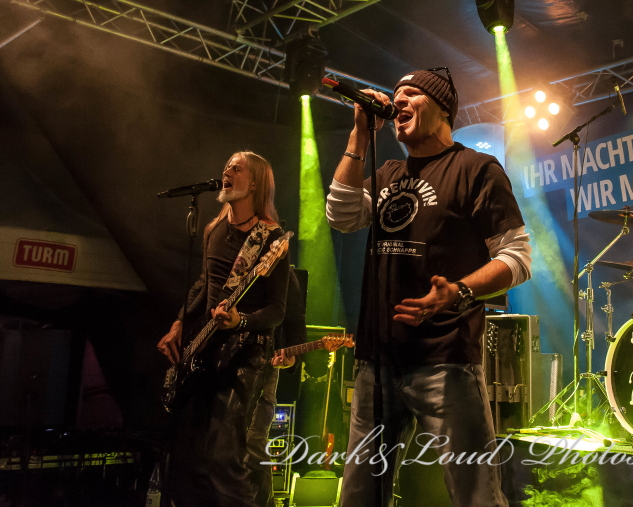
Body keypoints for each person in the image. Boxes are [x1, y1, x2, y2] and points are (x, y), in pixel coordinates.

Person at [325, 69, 532, 507]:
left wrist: (457, 292)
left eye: (411, 94)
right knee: (359, 497)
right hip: (377, 361)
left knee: (476, 496)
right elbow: (340, 215)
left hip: (445, 359)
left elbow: (517, 258)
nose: (397, 101)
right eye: (394, 95)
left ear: (442, 108)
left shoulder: (476, 169)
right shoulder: (387, 172)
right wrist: (360, 134)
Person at [157, 151, 290, 507]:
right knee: (187, 455)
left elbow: (278, 310)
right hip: (204, 348)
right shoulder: (213, 230)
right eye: (227, 166)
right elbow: (204, 287)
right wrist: (179, 323)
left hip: (246, 354)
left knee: (224, 457)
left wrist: (240, 320)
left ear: (255, 183)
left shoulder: (271, 238)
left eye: (237, 168)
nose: (227, 171)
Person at [245, 269, 307, 507]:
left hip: (264, 363)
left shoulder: (283, 271)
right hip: (225, 361)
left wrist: (293, 357)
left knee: (253, 440)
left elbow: (295, 320)